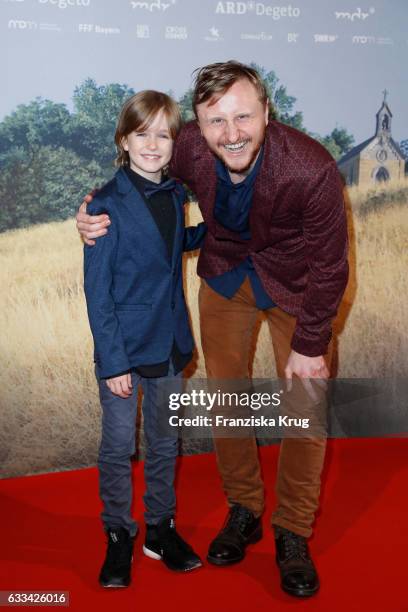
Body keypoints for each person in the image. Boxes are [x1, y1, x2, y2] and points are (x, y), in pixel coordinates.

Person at [77, 61, 349, 598]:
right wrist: (88, 210)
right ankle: (244, 508)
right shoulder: (187, 148)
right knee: (227, 400)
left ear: (266, 112)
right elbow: (135, 177)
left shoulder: (311, 168)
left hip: (296, 284)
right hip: (226, 275)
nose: (231, 134)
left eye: (243, 117)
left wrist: (311, 343)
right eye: (214, 121)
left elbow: (331, 266)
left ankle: (292, 532)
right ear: (197, 126)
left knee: (304, 405)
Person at [83, 90, 206, 588]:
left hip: (170, 344)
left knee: (163, 442)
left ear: (174, 143)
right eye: (142, 133)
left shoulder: (176, 195)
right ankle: (118, 534)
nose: (153, 144)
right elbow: (98, 293)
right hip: (124, 354)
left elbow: (175, 244)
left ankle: (160, 528)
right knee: (117, 447)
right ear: (123, 139)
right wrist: (112, 363)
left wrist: (226, 232)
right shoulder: (104, 205)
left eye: (163, 134)